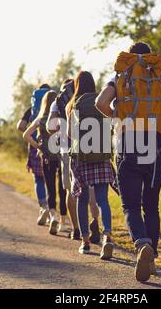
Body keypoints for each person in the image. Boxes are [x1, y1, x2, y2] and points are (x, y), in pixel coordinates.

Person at [96, 42, 161, 282]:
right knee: (151, 205)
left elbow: (101, 103)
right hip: (155, 144)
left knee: (131, 206)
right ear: (149, 56)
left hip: (128, 141)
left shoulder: (121, 74)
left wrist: (118, 115)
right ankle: (151, 254)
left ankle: (141, 245)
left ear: (131, 55)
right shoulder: (159, 75)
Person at [66, 71, 116, 259]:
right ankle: (108, 236)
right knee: (103, 200)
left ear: (77, 85)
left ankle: (85, 242)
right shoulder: (101, 101)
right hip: (102, 156)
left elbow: (71, 134)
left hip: (82, 158)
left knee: (81, 198)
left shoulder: (73, 104)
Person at [47, 79, 102, 243]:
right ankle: (95, 223)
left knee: (73, 190)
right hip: (91, 147)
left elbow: (50, 127)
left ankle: (77, 229)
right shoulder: (92, 99)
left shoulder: (59, 102)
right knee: (92, 189)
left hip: (67, 149)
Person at [23, 90, 68, 235]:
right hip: (61, 156)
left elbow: (26, 135)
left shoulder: (40, 119)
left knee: (50, 188)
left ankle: (52, 215)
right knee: (62, 189)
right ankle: (62, 221)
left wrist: (39, 146)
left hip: (46, 157)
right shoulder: (60, 118)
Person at [17, 83, 51, 226]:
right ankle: (52, 209)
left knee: (38, 179)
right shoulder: (52, 108)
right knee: (50, 179)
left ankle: (43, 207)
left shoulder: (31, 109)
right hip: (51, 145)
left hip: (34, 144)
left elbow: (20, 127)